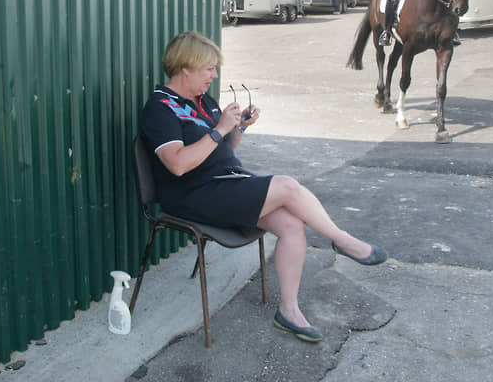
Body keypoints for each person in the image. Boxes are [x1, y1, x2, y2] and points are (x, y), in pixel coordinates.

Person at [141, 31, 387, 343]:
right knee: (286, 186)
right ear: (185, 68)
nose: (214, 75)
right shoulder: (160, 108)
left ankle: (289, 310)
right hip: (192, 194)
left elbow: (223, 149)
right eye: (208, 69)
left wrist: (238, 127)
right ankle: (343, 240)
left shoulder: (203, 101)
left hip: (225, 184)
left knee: (291, 223)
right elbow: (177, 164)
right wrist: (218, 130)